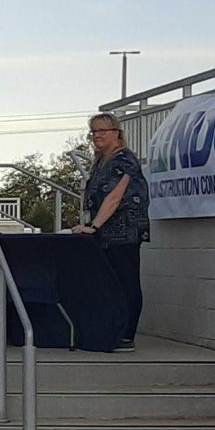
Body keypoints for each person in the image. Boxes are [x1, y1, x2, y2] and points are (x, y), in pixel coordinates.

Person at [73, 111, 150, 350]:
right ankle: (108, 330)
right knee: (107, 283)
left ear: (116, 134)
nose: (97, 136)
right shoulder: (99, 161)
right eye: (93, 132)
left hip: (124, 232)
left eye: (102, 131)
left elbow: (115, 196)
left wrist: (93, 226)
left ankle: (127, 334)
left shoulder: (124, 159)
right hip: (104, 234)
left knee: (126, 281)